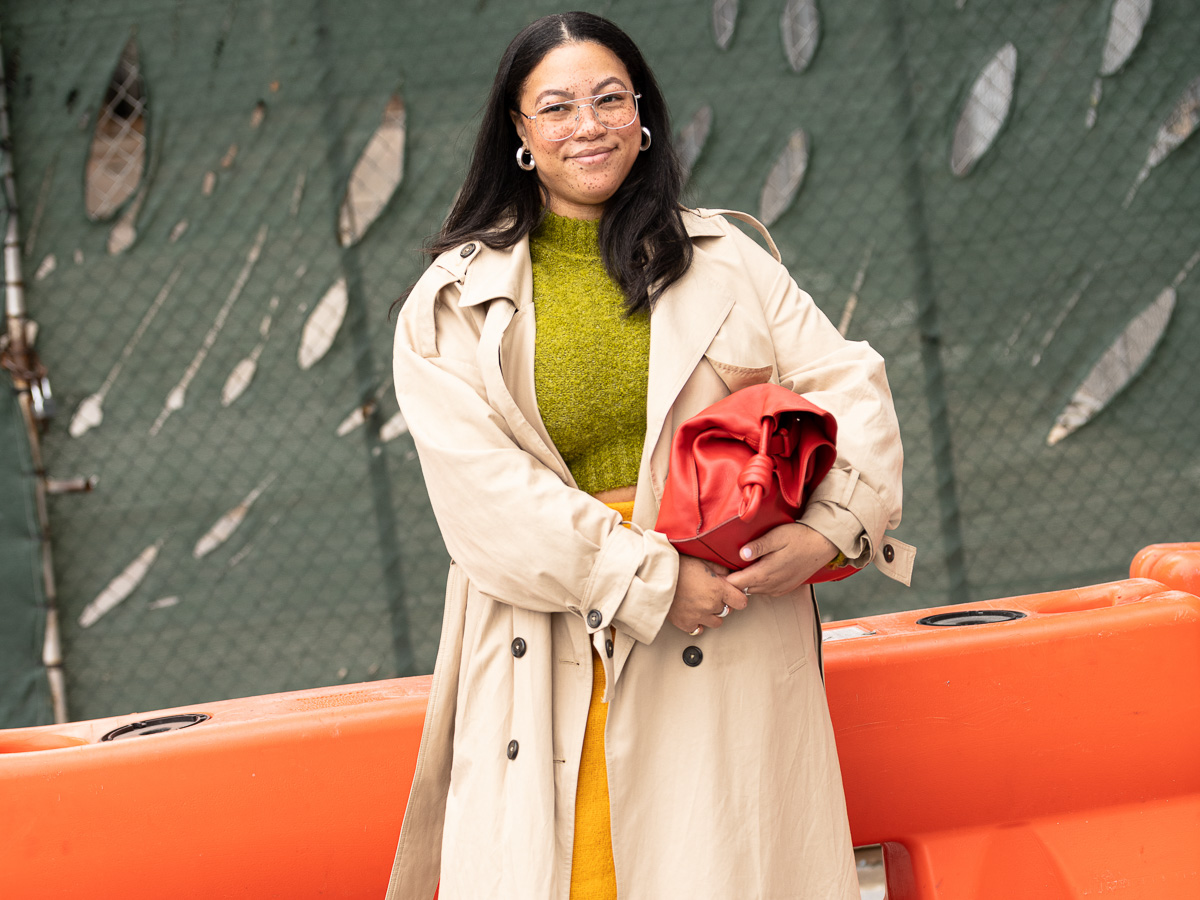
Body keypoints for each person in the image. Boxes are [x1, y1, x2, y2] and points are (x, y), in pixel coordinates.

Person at [385, 11, 912, 900]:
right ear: (518, 133)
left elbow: (846, 380)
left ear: (644, 114)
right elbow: (485, 498)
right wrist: (653, 583)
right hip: (552, 632)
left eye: (607, 99)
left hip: (735, 621)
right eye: (555, 107)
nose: (586, 125)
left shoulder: (725, 259)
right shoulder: (451, 304)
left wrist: (830, 527)